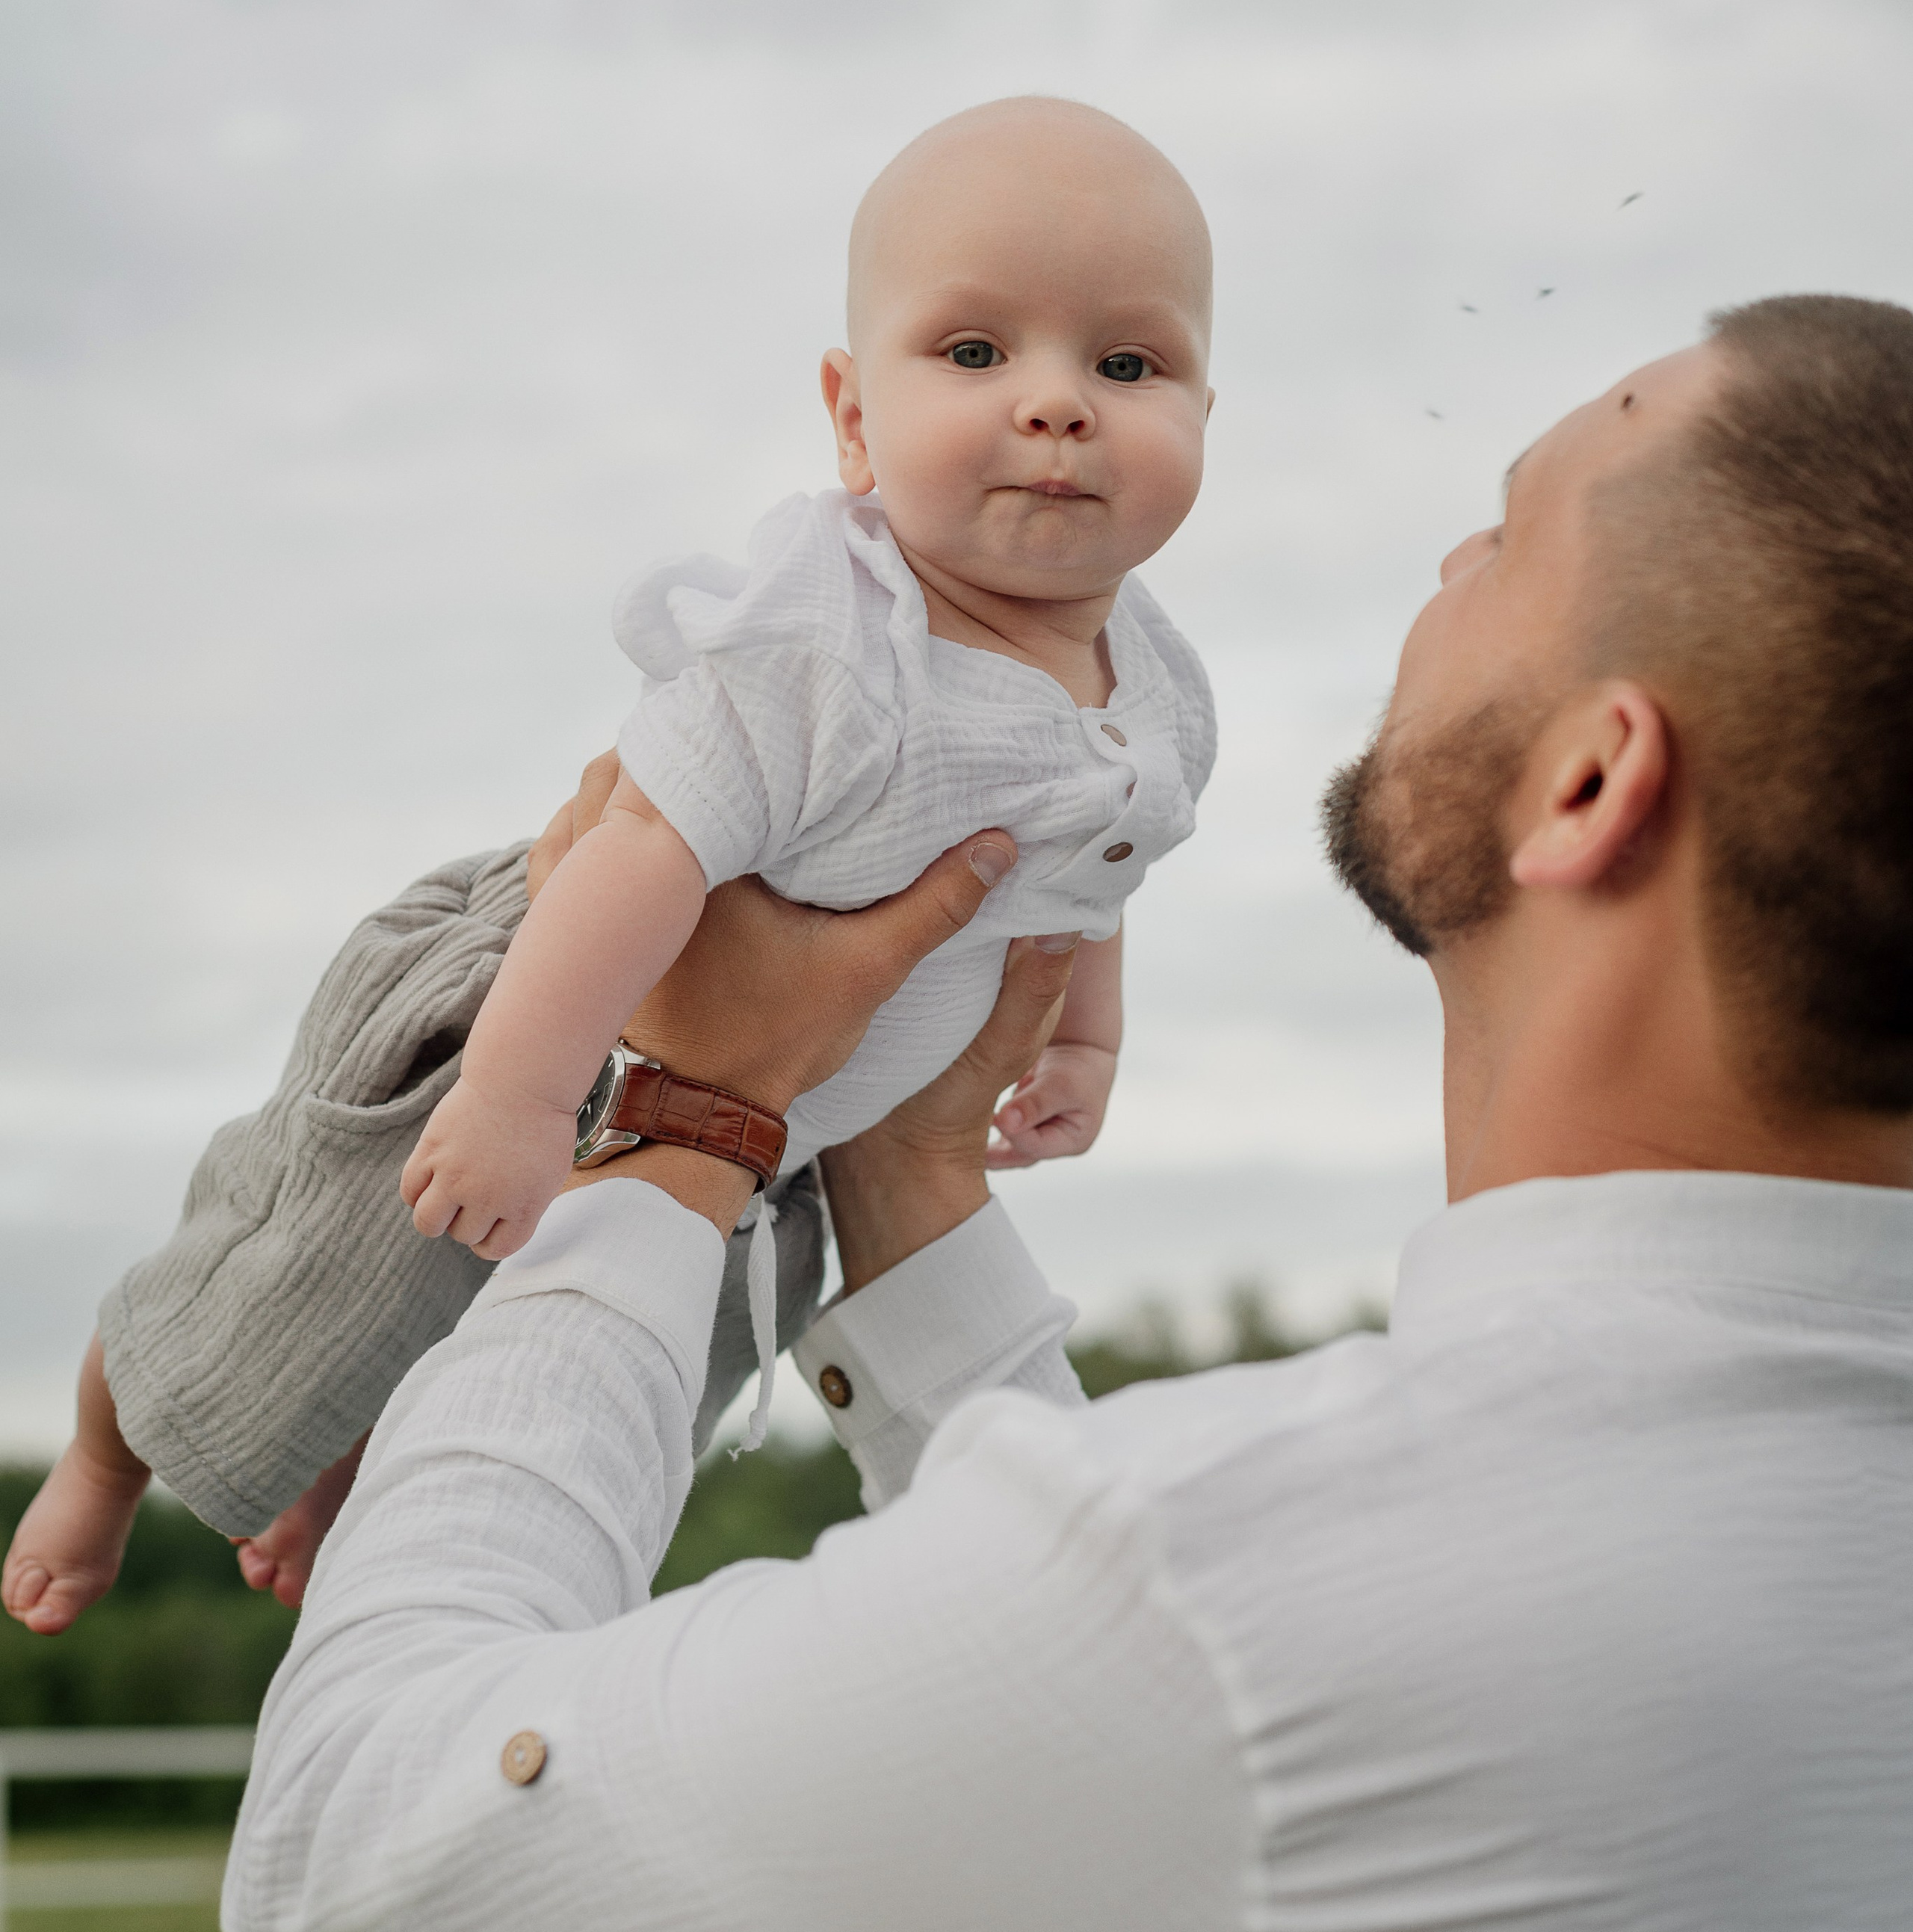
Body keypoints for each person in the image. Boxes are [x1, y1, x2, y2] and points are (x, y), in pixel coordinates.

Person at [217, 291, 1913, 1932]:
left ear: (1588, 783)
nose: (1445, 559)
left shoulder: (1227, 1612)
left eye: (1504, 533)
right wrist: (907, 1165)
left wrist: (696, 1114)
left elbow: (359, 1842)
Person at [1, 93, 1217, 1635]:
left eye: (1127, 366)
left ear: (1205, 413)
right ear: (852, 418)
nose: (1056, 405)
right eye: (976, 352)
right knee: (301, 1294)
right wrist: (514, 1098)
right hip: (550, 1021)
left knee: (625, 1378)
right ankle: (107, 1454)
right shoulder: (822, 641)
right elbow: (640, 845)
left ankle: (354, 1473)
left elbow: (1091, 872)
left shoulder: (1155, 692)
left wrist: (1084, 1044)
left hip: (769, 1141)